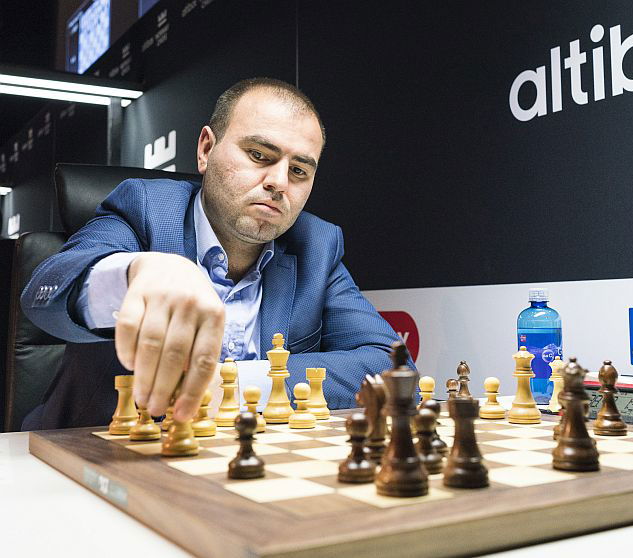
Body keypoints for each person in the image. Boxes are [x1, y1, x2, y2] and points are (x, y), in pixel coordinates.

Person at [21, 77, 401, 430]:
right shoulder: (145, 209)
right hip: (95, 453)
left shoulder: (316, 245)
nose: (279, 182)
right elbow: (45, 294)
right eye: (259, 154)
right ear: (206, 149)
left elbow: (389, 365)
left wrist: (237, 385)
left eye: (299, 171)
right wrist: (133, 273)